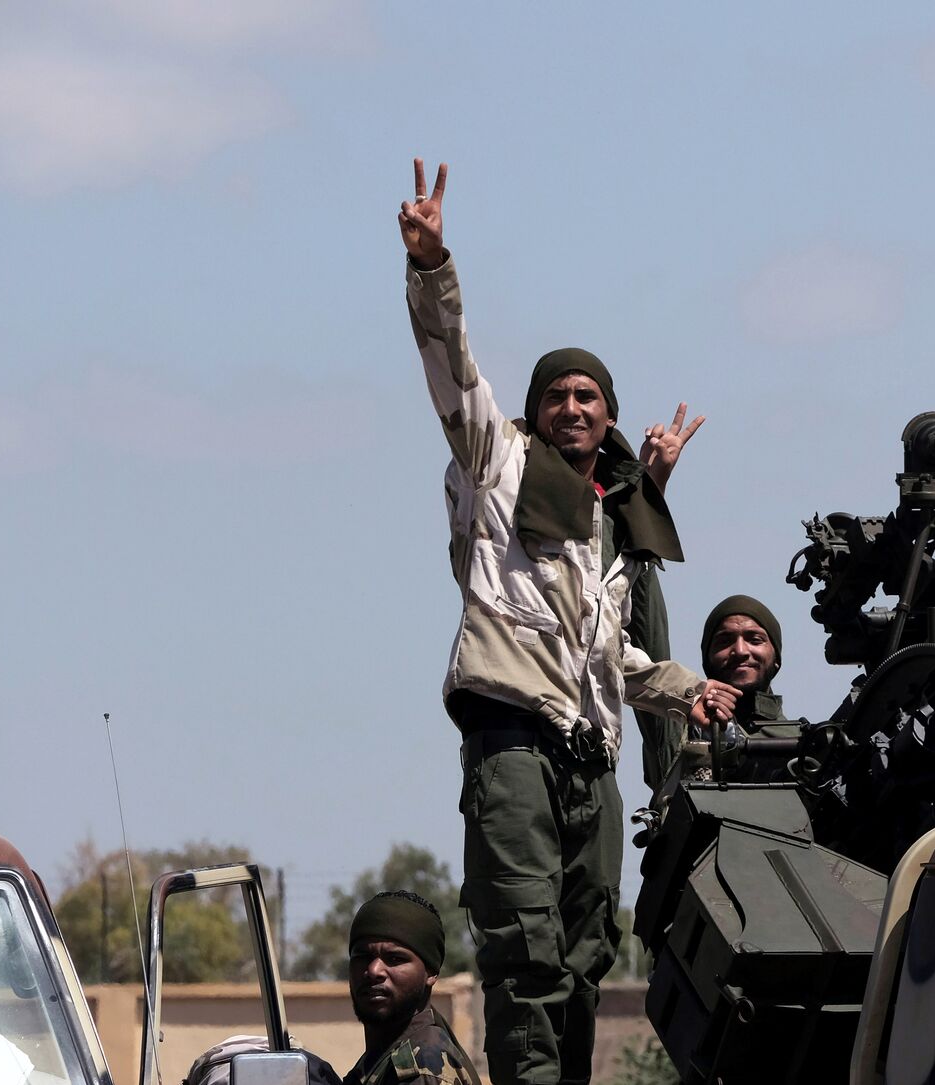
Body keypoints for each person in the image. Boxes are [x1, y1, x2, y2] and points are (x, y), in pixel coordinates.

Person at [397, 158, 740, 1085]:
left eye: (589, 397)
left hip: (594, 762)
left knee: (588, 955)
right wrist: (432, 268)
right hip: (514, 741)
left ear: (609, 417)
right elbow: (451, 369)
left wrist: (687, 688)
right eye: (557, 395)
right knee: (527, 953)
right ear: (536, 412)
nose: (573, 407)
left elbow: (610, 656)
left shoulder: (604, 531)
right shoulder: (498, 464)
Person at [342, 892, 479, 1085]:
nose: (374, 970)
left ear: (431, 973)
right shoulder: (383, 1058)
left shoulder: (420, 1068)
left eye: (395, 958)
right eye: (362, 956)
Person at [675, 595, 798, 783]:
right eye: (725, 641)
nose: (740, 651)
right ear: (707, 659)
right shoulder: (678, 731)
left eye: (755, 640)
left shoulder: (803, 744)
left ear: (776, 659)